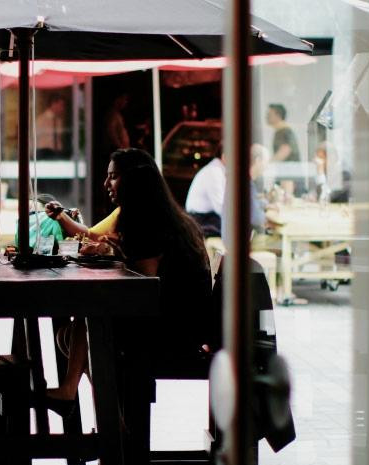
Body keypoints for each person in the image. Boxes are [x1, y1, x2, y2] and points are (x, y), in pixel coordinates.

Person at [43, 148, 213, 413]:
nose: (106, 184)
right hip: (181, 324)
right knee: (73, 332)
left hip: (174, 333)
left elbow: (145, 284)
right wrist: (117, 250)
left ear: (135, 180)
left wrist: (116, 253)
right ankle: (112, 418)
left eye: (113, 177)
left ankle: (82, 400)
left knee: (90, 323)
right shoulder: (159, 216)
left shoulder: (147, 221)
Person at [184, 143, 226, 237]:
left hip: (206, 218)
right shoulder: (214, 172)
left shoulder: (218, 170)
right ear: (224, 156)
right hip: (201, 220)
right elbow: (221, 207)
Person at [35, 94, 68, 159]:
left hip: (58, 153)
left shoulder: (59, 120)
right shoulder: (40, 120)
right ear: (53, 104)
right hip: (44, 153)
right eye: (61, 105)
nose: (63, 108)